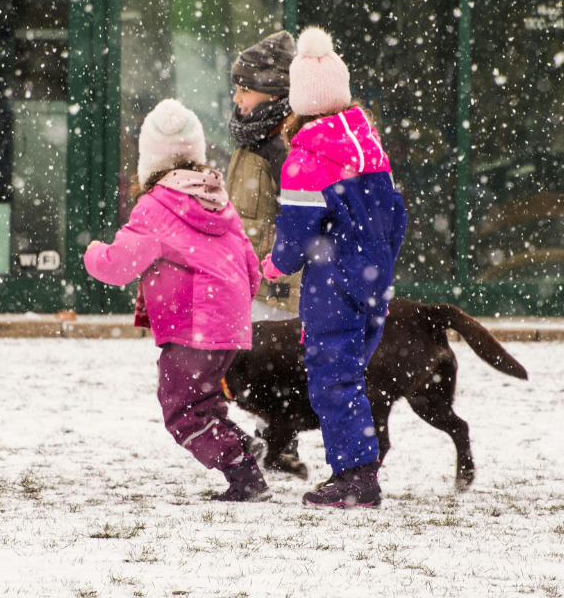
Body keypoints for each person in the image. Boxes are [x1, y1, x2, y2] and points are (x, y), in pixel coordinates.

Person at [83, 99, 269, 502]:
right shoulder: (219, 201)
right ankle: (239, 449)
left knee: (180, 411)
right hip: (228, 322)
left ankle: (241, 468)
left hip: (192, 325)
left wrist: (92, 251)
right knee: (203, 402)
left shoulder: (154, 207)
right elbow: (249, 263)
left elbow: (117, 264)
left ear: (149, 161)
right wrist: (233, 309)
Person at [262, 28, 407, 508]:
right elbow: (397, 218)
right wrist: (380, 261)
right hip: (374, 279)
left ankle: (356, 477)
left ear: (300, 101)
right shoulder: (371, 147)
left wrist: (277, 265)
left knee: (332, 378)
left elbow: (298, 230)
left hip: (334, 282)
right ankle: (358, 468)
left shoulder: (305, 157)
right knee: (352, 374)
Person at [226, 30, 301, 321]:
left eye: (244, 89)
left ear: (272, 93)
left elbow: (298, 225)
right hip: (247, 284)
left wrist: (277, 280)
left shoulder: (284, 144)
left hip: (274, 297)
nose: (236, 98)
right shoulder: (252, 136)